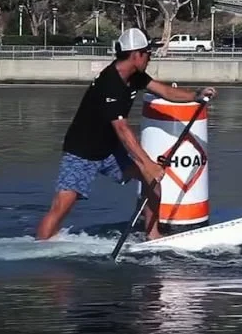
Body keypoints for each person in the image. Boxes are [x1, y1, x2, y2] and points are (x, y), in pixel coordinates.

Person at [36, 27, 217, 241]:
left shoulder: (135, 76)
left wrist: (195, 95)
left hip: (110, 149)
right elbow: (122, 130)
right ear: (135, 55)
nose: (150, 57)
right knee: (61, 206)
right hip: (82, 152)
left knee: (151, 182)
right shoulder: (110, 83)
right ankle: (40, 247)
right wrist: (148, 164)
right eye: (148, 53)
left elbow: (165, 91)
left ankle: (153, 236)